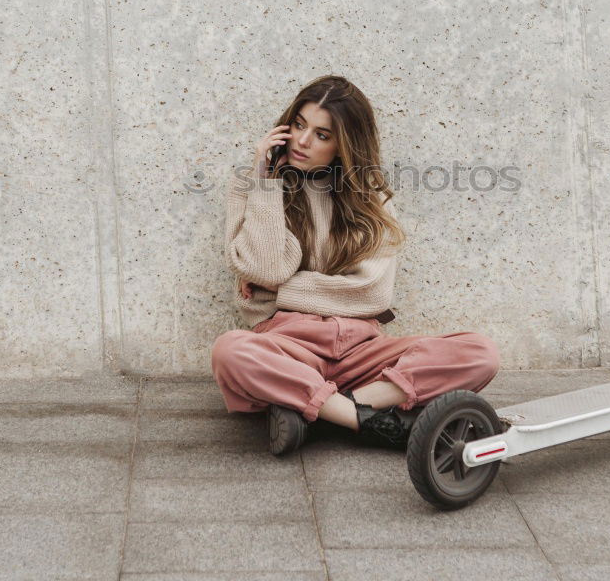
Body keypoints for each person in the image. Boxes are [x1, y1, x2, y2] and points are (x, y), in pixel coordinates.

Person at [211, 74, 500, 455]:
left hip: (360, 350)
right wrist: (266, 182)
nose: (302, 141)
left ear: (344, 145)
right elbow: (265, 268)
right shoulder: (255, 185)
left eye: (322, 135)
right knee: (230, 351)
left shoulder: (370, 197)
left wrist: (281, 291)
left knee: (480, 352)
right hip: (287, 346)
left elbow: (372, 293)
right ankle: (363, 419)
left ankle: (321, 409)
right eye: (299, 125)